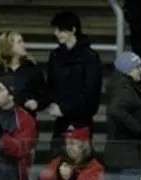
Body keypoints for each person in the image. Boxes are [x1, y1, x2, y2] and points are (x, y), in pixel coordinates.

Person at [40, 11, 103, 156]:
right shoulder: (55, 55)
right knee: (57, 161)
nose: (57, 34)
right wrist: (44, 103)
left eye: (60, 30)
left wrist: (65, 108)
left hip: (81, 119)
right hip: (60, 119)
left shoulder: (90, 57)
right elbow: (51, 86)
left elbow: (90, 92)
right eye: (56, 30)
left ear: (73, 30)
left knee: (80, 161)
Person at [0, 31, 46, 116]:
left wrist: (37, 103)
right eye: (19, 42)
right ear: (9, 46)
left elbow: (44, 95)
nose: (24, 45)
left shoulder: (32, 69)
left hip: (24, 121)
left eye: (23, 41)